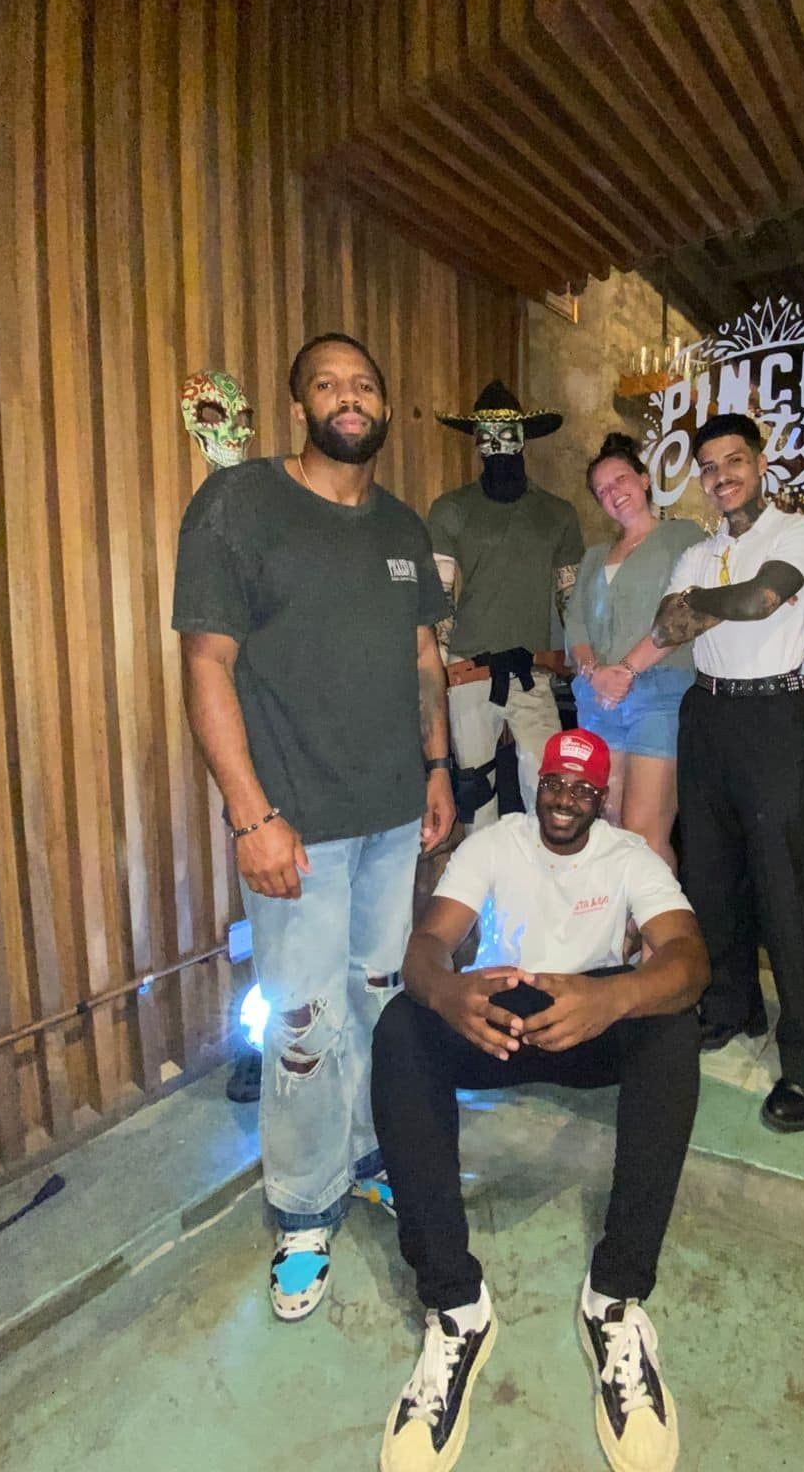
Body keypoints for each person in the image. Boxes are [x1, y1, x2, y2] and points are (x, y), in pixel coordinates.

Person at [172, 332, 455, 1322]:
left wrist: (435, 768)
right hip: (293, 824)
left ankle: (368, 1155)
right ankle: (300, 1210)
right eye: (328, 384)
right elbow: (206, 665)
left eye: (365, 383)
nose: (349, 397)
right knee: (301, 1026)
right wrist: (251, 816)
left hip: (390, 820)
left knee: (378, 1003)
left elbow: (424, 656)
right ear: (299, 407)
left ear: (383, 406)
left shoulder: (405, 526)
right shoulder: (238, 506)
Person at [372, 728, 708, 1472]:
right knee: (402, 1026)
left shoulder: (628, 857)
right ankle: (456, 1306)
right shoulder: (495, 843)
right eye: (556, 783)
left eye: (582, 789)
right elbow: (427, 944)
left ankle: (615, 1299)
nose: (565, 800)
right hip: (501, 1013)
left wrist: (614, 996)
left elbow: (688, 961)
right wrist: (450, 990)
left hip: (590, 1011)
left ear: (603, 798)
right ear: (539, 783)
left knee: (672, 1027)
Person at [612, 413, 804, 1135]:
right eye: (710, 467)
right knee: (711, 876)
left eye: (734, 460)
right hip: (707, 715)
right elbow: (668, 626)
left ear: (760, 463)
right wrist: (700, 616)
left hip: (773, 715)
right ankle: (729, 1005)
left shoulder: (800, 533)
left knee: (787, 883)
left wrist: (712, 606)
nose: (722, 476)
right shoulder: (698, 550)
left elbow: (761, 599)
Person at [429, 381, 583, 829]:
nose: (497, 446)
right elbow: (440, 598)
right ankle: (483, 896)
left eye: (508, 433)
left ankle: (544, 890)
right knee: (477, 796)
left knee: (552, 791)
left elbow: (569, 599)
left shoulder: (557, 514)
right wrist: (436, 675)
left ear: (524, 436)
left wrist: (581, 662)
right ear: (475, 441)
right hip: (469, 670)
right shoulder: (451, 509)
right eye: (487, 435)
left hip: (531, 671)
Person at [564, 432, 704, 867]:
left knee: (646, 833)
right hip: (597, 699)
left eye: (620, 479)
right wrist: (596, 674)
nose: (613, 494)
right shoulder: (593, 557)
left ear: (644, 480)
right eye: (602, 490)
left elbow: (686, 612)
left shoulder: (682, 536)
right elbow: (576, 626)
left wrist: (623, 670)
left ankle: (657, 937)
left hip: (659, 692)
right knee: (605, 829)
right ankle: (618, 934)